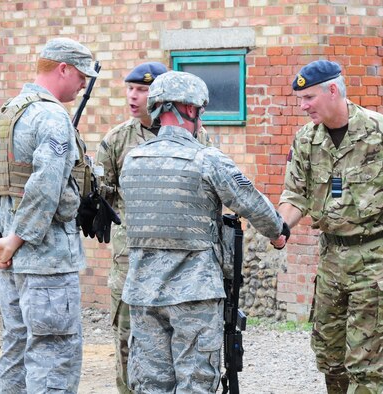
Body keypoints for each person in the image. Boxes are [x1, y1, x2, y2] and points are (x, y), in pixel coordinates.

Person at [119, 70, 288, 393]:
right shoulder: (205, 159)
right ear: (190, 110)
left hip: (142, 293)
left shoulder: (133, 159)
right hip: (193, 295)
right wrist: (277, 231)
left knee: (151, 384)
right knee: (196, 382)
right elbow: (249, 200)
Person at [278, 60, 383, 393]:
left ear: (333, 90)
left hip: (375, 259)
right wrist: (281, 228)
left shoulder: (380, 131)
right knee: (330, 359)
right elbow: (295, 197)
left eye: (309, 98)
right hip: (331, 260)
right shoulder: (306, 140)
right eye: (300, 100)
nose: (303, 107)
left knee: (365, 365)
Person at [96, 62, 213, 393]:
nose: (134, 96)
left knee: (183, 347)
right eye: (130, 88)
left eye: (143, 90)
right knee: (127, 342)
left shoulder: (198, 135)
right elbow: (102, 196)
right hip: (130, 260)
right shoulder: (117, 140)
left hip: (182, 263)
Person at [0, 37, 98, 393]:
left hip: (11, 259)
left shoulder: (10, 110)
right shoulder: (52, 116)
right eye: (81, 75)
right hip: (45, 259)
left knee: (16, 347)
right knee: (55, 355)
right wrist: (17, 237)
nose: (84, 84)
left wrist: (7, 238)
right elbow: (47, 182)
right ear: (63, 69)